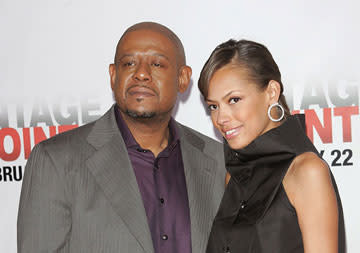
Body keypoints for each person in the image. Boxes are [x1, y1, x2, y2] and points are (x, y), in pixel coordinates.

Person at [17, 22, 226, 253]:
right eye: (129, 63)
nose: (141, 74)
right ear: (114, 76)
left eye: (157, 64)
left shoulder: (218, 161)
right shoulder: (56, 160)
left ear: (183, 78)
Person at [198, 39, 345, 253]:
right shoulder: (236, 174)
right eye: (213, 106)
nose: (221, 118)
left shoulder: (306, 171)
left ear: (271, 93)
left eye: (234, 100)